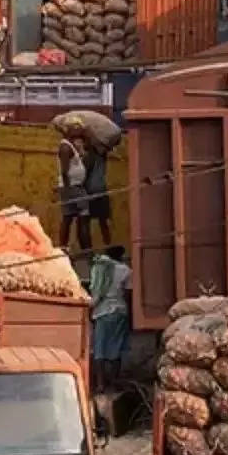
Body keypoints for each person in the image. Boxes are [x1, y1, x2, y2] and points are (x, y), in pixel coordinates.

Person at [89, 245, 131, 389]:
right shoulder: (125, 270)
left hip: (100, 312)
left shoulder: (97, 268)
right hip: (119, 312)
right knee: (116, 349)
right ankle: (113, 382)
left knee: (99, 350)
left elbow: (94, 290)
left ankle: (100, 384)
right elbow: (127, 294)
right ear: (121, 255)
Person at [57, 135, 91, 251]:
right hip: (73, 188)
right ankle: (86, 250)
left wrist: (80, 151)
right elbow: (64, 171)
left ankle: (65, 248)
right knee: (83, 218)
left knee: (69, 218)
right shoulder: (66, 148)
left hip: (72, 187)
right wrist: (69, 189)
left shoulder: (71, 146)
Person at [83, 141, 112, 246]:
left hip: (90, 192)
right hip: (102, 191)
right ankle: (108, 247)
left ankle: (87, 251)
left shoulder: (88, 158)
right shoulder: (102, 156)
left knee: (84, 222)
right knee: (103, 222)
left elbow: (84, 176)